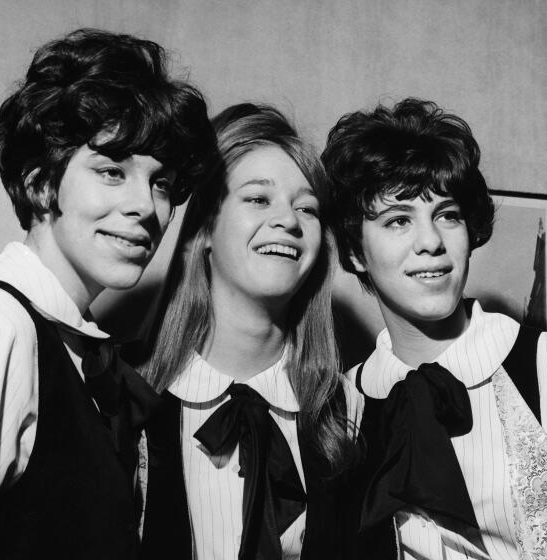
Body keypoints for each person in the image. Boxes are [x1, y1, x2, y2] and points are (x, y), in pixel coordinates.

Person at [0, 28, 215, 559]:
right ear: (41, 183)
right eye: (113, 171)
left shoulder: (78, 352)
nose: (146, 206)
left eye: (161, 183)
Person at [322, 98, 547, 560]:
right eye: (398, 220)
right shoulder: (343, 406)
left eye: (447, 214)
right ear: (354, 252)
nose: (431, 242)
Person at [141, 103, 363, 560]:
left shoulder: (347, 413)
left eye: (308, 207)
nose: (288, 220)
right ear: (204, 226)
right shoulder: (121, 398)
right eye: (259, 198)